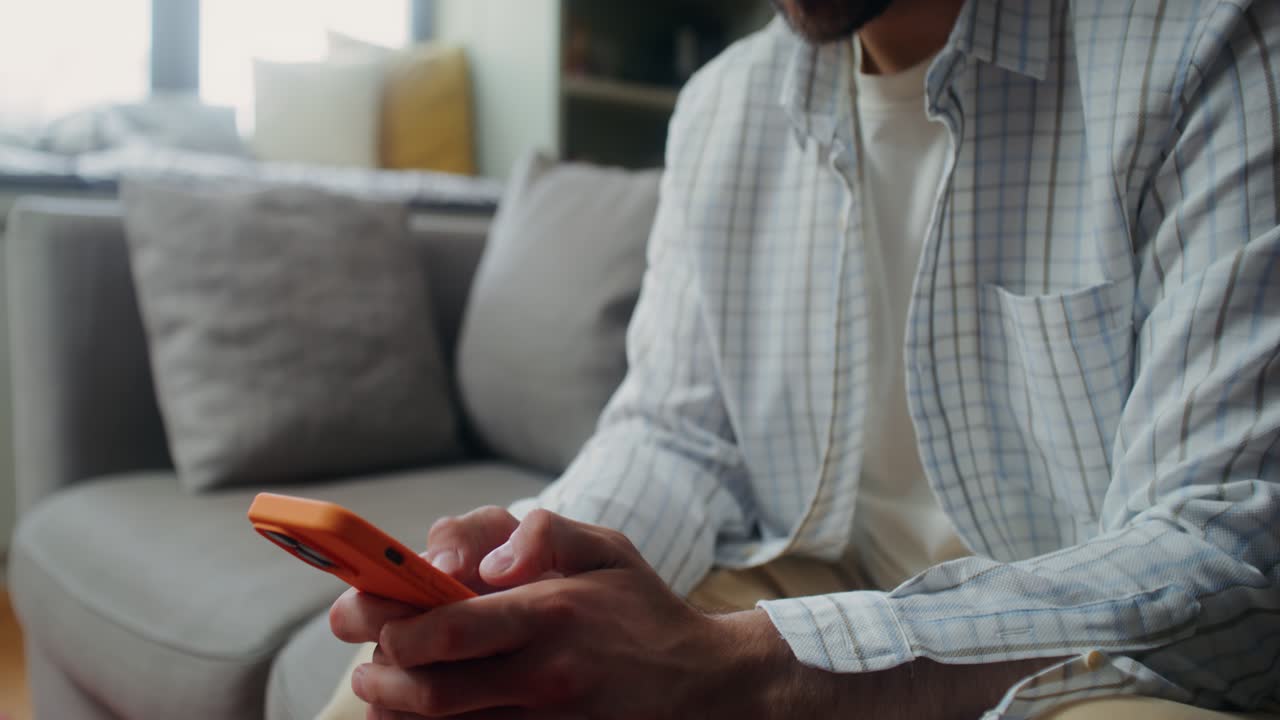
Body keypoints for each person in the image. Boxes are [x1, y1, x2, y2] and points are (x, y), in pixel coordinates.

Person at [324, 0, 1280, 717]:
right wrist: (518, 574)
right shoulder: (722, 105)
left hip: (1083, 647)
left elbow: (1226, 551)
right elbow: (676, 433)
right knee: (416, 689)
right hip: (797, 581)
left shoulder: (1208, 46)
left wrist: (757, 661)